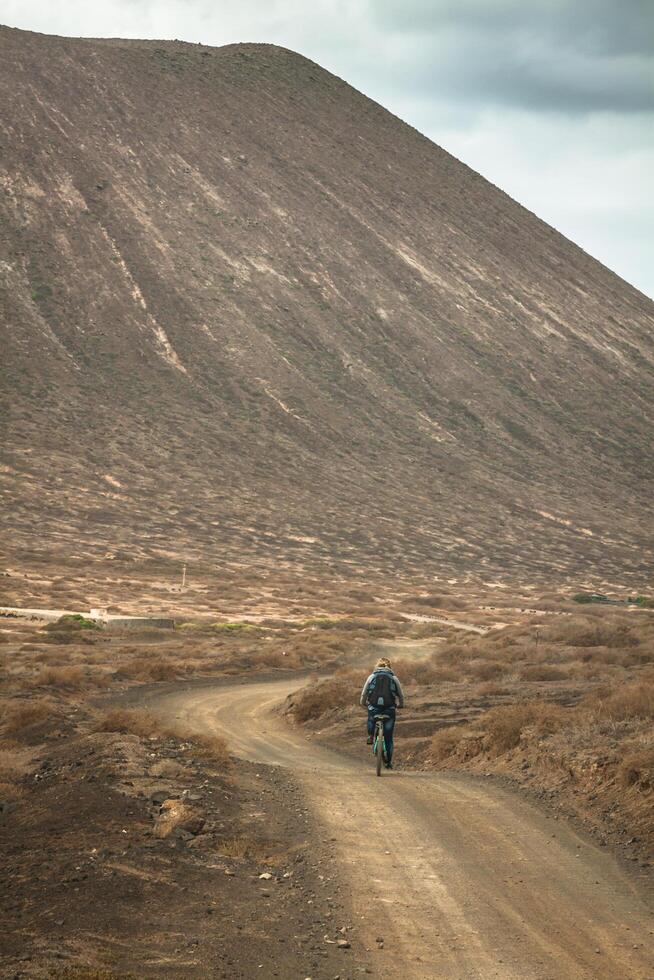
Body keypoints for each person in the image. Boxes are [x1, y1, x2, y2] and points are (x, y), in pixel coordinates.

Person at [360, 657, 404, 769]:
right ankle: (388, 762)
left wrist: (363, 703)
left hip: (373, 707)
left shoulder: (372, 676)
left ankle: (370, 735)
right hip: (389, 709)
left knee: (371, 718)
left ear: (377, 666)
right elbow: (400, 695)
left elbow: (364, 693)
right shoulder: (394, 678)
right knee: (388, 738)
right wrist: (401, 704)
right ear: (390, 667)